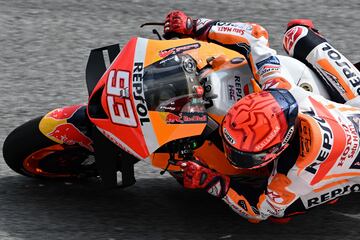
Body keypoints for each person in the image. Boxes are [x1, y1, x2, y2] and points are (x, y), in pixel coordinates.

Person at [163, 10, 360, 222]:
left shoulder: (291, 177)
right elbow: (254, 36)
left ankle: (334, 194)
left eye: (243, 155)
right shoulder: (279, 86)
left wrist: (213, 183)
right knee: (297, 34)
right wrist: (194, 26)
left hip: (342, 167)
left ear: (278, 148)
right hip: (355, 106)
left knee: (280, 214)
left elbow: (258, 211)